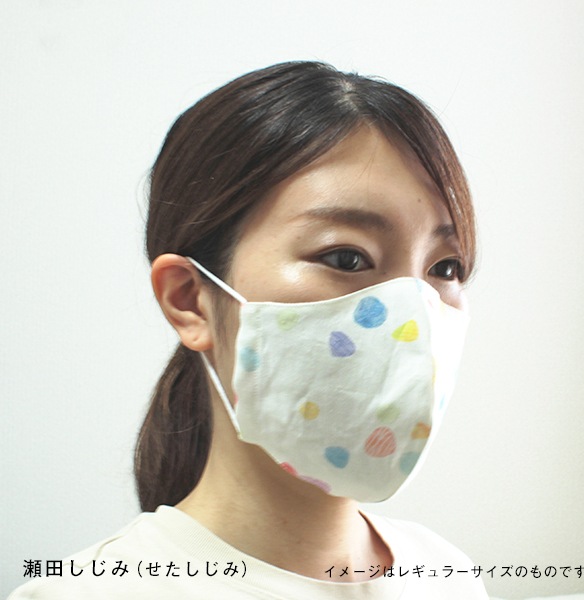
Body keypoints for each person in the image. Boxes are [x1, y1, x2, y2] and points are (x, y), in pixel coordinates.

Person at [9, 61, 488, 599]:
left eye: (445, 268)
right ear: (189, 300)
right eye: (346, 257)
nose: (414, 314)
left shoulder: (446, 572)